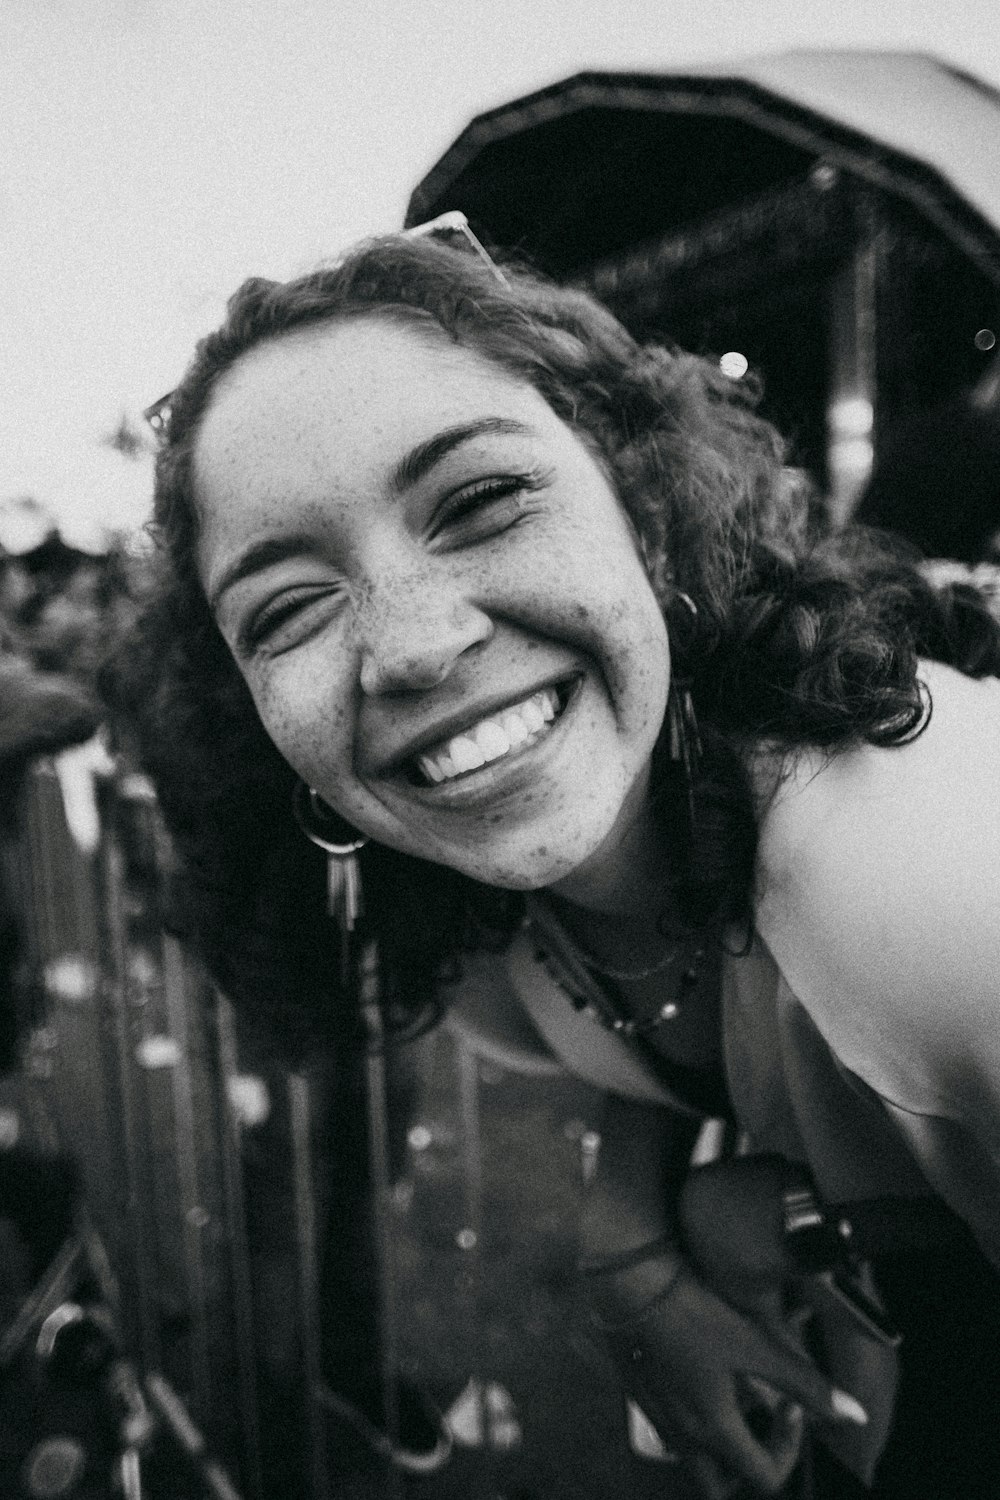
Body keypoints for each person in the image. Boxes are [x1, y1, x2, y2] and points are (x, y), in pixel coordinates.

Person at [115, 227, 1000, 1498]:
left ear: (644, 511)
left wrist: (807, 1223)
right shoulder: (467, 902)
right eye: (288, 608)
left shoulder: (917, 884)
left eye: (479, 501)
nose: (412, 647)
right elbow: (670, 1011)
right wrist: (629, 1225)